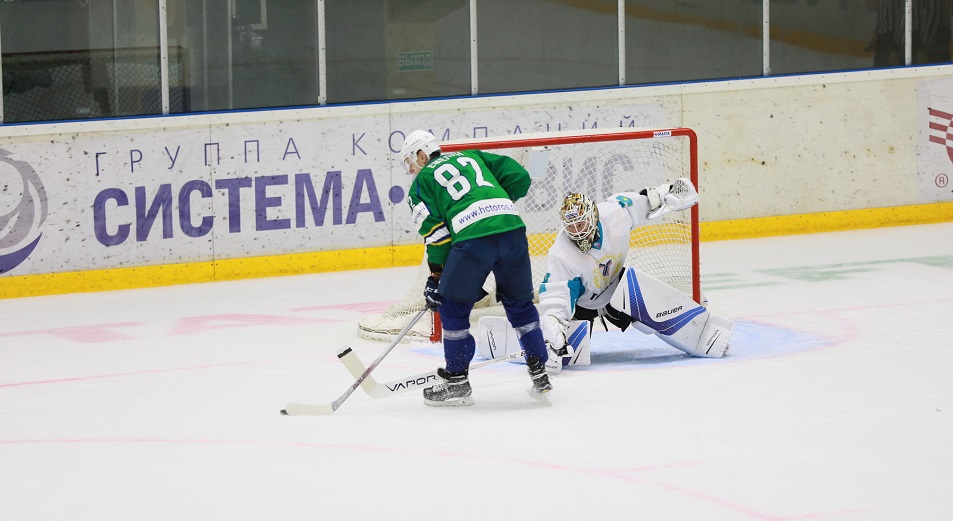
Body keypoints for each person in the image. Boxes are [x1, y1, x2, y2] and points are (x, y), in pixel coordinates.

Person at [399, 129, 552, 406]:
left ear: (422, 155)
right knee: (520, 303)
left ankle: (456, 382)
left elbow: (437, 236)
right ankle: (540, 371)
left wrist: (436, 276)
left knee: (453, 307)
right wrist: (497, 205)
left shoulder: (421, 182)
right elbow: (520, 177)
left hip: (472, 240)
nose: (411, 170)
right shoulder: (471, 156)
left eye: (411, 161)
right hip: (512, 229)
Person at [536, 179, 734, 373]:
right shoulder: (561, 255)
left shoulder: (615, 214)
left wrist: (668, 192)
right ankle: (536, 338)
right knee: (570, 357)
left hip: (617, 288)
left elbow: (645, 200)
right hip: (582, 305)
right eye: (571, 227)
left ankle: (702, 334)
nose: (577, 233)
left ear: (593, 216)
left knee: (653, 307)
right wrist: (553, 327)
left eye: (581, 225)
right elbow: (556, 296)